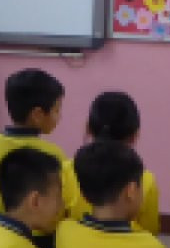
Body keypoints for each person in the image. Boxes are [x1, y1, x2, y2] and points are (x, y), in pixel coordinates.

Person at [0, 68, 81, 244]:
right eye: (57, 110)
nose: (60, 116)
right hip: (39, 243)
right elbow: (63, 208)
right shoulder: (54, 154)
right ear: (37, 115)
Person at [68, 91, 162, 235]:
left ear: (88, 128)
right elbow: (150, 230)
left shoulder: (66, 170)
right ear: (135, 135)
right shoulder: (145, 179)